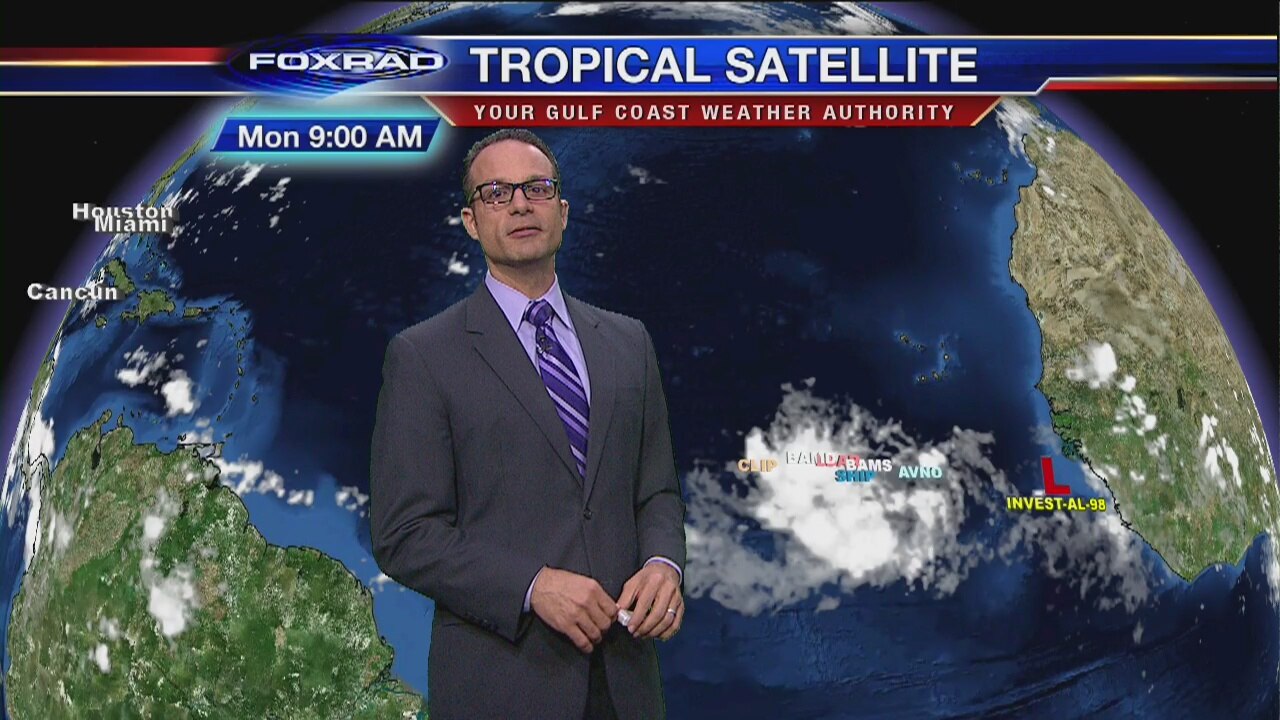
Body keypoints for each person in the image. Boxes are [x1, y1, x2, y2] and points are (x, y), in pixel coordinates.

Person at [370, 128, 687, 720]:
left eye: (536, 189)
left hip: (627, 684)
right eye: (496, 193)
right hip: (504, 685)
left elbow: (657, 492)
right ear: (471, 222)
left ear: (562, 212)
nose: (519, 204)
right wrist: (532, 585)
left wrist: (663, 565)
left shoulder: (628, 342)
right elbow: (405, 533)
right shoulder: (423, 356)